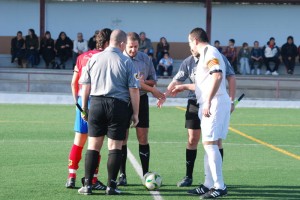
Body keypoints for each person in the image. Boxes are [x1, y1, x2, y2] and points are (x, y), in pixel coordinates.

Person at [157, 48, 236, 189]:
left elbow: (230, 77)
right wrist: (165, 95)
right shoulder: (188, 62)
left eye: (192, 43)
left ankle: (217, 179)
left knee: (215, 142)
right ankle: (189, 176)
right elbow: (176, 80)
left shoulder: (217, 57)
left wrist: (231, 100)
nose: (191, 47)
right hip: (194, 102)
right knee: (193, 139)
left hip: (212, 103)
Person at [77, 29, 140, 195]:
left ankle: (88, 185)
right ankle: (111, 186)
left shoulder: (94, 58)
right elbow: (133, 90)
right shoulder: (127, 61)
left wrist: (85, 108)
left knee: (93, 146)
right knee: (115, 147)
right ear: (121, 44)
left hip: (96, 103)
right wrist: (135, 113)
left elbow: (85, 86)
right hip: (117, 106)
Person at [186, 27, 231, 199]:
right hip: (211, 101)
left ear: (195, 40)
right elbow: (206, 82)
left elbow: (217, 76)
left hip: (215, 102)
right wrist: (183, 87)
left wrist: (209, 101)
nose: (190, 45)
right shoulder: (205, 53)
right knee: (209, 144)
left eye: (190, 42)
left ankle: (219, 186)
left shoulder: (209, 51)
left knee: (210, 144)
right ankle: (208, 184)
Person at [65, 28, 112, 191]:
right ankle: (92, 179)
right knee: (95, 143)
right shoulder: (106, 58)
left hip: (81, 101)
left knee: (78, 141)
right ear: (107, 42)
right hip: (98, 101)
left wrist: (78, 104)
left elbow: (73, 83)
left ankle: (71, 177)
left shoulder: (81, 57)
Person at [117, 32, 165, 186]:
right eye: (131, 47)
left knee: (143, 137)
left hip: (142, 99)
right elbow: (129, 83)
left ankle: (146, 173)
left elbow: (153, 81)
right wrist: (150, 88)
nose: (133, 50)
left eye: (136, 47)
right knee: (122, 138)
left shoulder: (145, 59)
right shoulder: (119, 59)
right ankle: (122, 175)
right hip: (124, 99)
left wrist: (145, 82)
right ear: (124, 45)